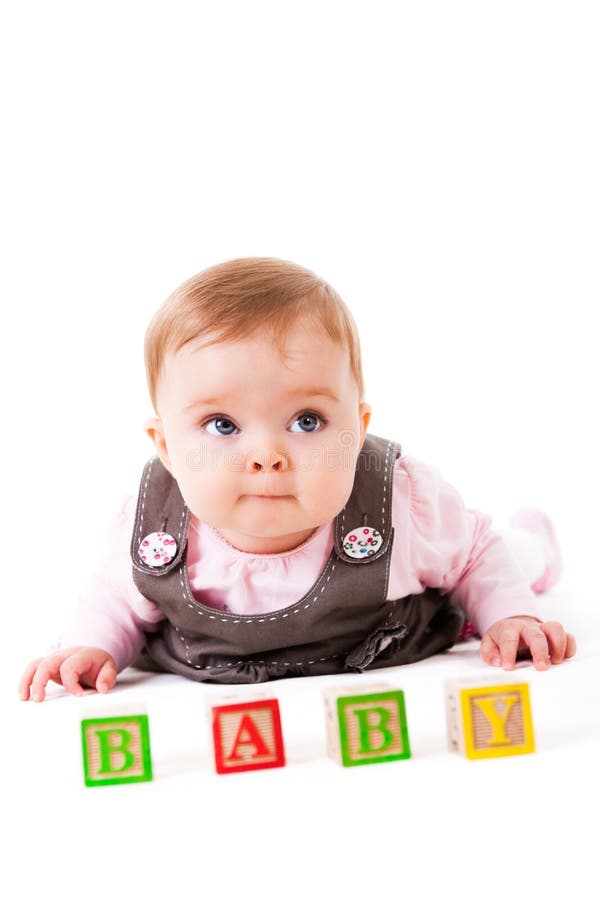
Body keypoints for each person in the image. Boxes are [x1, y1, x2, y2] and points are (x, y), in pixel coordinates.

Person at [19, 257, 576, 701]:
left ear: (357, 431)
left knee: (505, 564)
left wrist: (511, 617)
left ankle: (536, 547)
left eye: (306, 421)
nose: (268, 456)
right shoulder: (154, 531)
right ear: (165, 446)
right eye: (222, 424)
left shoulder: (399, 502)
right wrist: (89, 649)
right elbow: (115, 602)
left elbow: (474, 552)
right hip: (215, 669)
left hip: (388, 635)